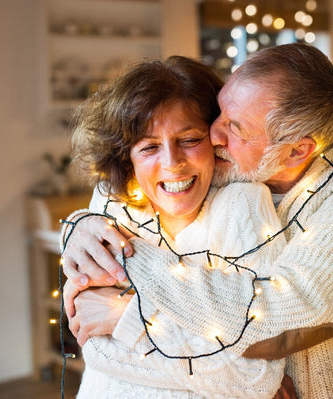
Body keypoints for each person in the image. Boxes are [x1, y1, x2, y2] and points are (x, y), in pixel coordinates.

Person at [63, 43, 333, 398]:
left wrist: (127, 274)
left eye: (236, 127)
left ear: (296, 150)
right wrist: (81, 225)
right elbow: (131, 177)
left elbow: (285, 314)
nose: (214, 136)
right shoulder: (235, 161)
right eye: (221, 112)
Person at [65, 56, 290, 398]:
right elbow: (95, 351)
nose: (173, 163)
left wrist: (128, 320)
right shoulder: (111, 203)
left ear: (216, 137)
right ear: (126, 156)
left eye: (189, 139)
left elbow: (254, 375)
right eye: (149, 147)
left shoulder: (242, 207)